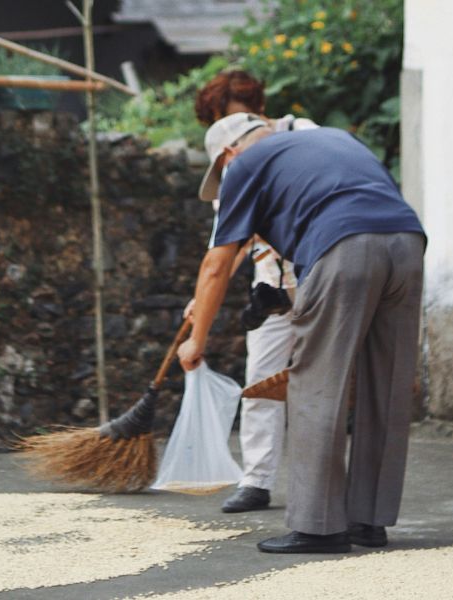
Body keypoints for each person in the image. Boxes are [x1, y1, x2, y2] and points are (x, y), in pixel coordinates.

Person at [178, 113, 425, 554]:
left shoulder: (245, 167)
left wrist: (196, 340)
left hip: (343, 245)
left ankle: (319, 527)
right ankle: (369, 522)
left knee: (315, 384)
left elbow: (217, 263)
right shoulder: (329, 139)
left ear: (229, 155)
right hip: (407, 244)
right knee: (386, 386)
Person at [188, 71, 317, 514]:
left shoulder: (302, 134)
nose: (238, 126)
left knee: (323, 380)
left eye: (241, 115)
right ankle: (256, 480)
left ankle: (321, 482)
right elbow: (230, 242)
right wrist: (205, 293)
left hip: (317, 273)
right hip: (270, 283)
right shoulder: (231, 164)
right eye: (226, 119)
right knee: (260, 379)